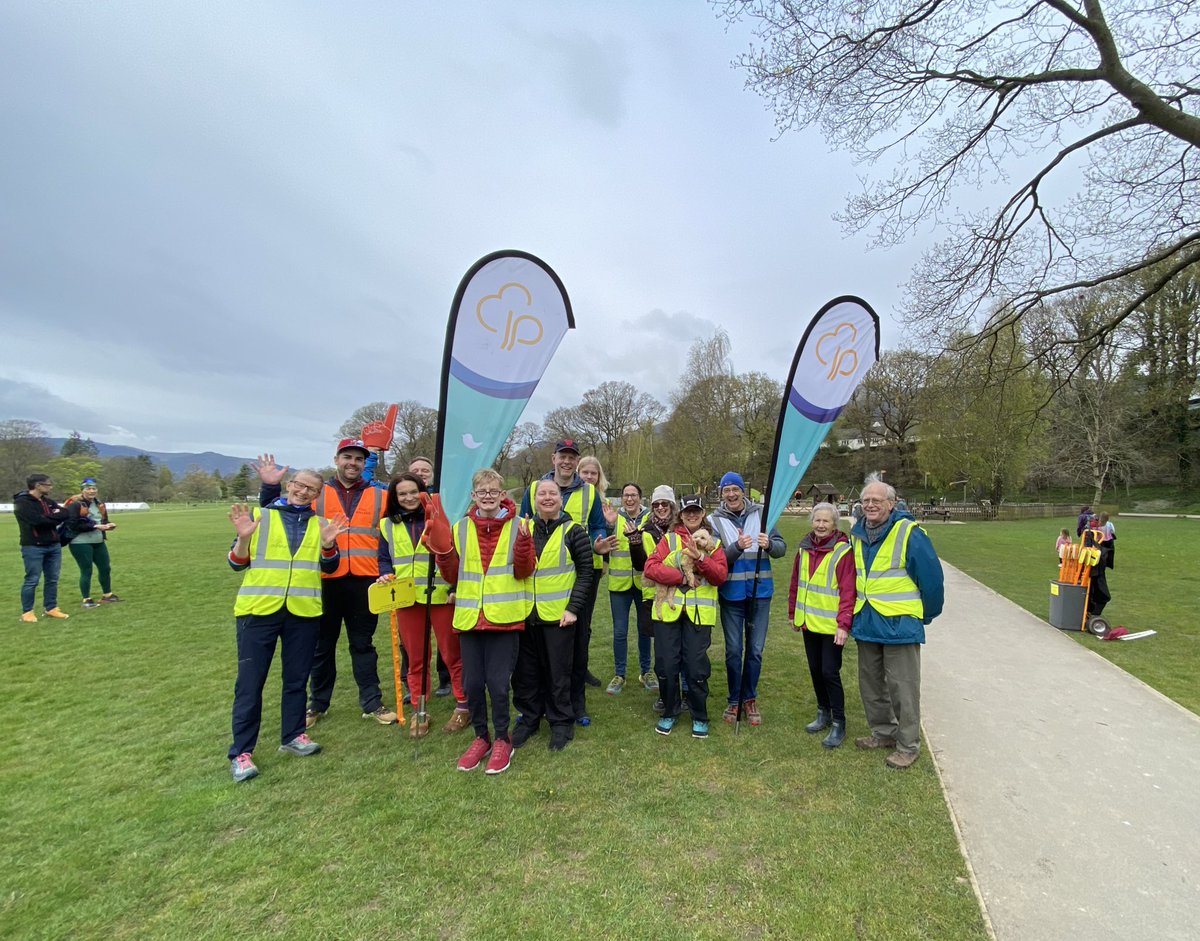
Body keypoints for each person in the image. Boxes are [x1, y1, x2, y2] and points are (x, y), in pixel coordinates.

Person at [255, 441, 398, 729]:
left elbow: (396, 527)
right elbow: (277, 512)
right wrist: (270, 488)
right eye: (347, 457)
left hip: (365, 581)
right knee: (322, 646)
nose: (353, 463)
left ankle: (372, 702)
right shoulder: (318, 494)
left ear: (364, 464)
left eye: (359, 459)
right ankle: (317, 704)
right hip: (323, 580)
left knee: (363, 645)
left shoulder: (380, 495)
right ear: (337, 459)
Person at [226, 469, 349, 782]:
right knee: (251, 683)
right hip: (258, 610)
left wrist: (328, 546)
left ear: (317, 495)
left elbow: (330, 566)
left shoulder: (320, 525)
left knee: (297, 679)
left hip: (302, 612)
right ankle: (241, 752)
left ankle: (293, 736)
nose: (303, 491)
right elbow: (236, 563)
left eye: (311, 489)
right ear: (289, 486)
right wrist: (242, 539)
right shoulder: (260, 517)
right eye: (299, 485)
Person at [428, 468, 535, 775]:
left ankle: (502, 739)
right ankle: (480, 738)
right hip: (470, 619)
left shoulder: (519, 526)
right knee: (473, 685)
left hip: (504, 618)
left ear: (503, 495)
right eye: (482, 492)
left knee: (498, 685)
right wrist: (442, 551)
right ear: (473, 496)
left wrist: (525, 545)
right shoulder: (460, 528)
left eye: (494, 491)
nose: (488, 497)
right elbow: (452, 576)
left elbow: (524, 571)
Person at [850, 476, 945, 770]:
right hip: (867, 621)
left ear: (891, 504)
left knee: (903, 688)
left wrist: (923, 615)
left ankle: (908, 745)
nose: (870, 505)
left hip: (900, 625)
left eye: (877, 500)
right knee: (871, 686)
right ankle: (883, 733)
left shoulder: (909, 533)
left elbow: (932, 581)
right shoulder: (857, 533)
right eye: (866, 501)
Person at [519, 439, 613, 726]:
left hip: (583, 569)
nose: (567, 462)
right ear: (553, 458)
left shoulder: (589, 492)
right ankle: (544, 702)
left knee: (579, 638)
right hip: (542, 577)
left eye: (572, 457)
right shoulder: (535, 489)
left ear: (576, 461)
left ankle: (576, 703)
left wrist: (598, 541)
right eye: (563, 456)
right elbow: (523, 522)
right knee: (540, 645)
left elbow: (597, 523)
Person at [376, 473, 469, 738]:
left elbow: (456, 555)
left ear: (423, 492)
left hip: (440, 595)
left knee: (452, 654)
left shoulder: (441, 518)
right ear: (394, 497)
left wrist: (454, 587)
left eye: (412, 492)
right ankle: (420, 707)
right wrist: (384, 573)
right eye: (401, 494)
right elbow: (384, 558)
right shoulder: (387, 525)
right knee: (416, 657)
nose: (407, 498)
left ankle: (464, 704)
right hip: (406, 598)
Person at [511, 479, 594, 752]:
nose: (547, 498)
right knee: (526, 674)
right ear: (534, 499)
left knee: (560, 674)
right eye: (541, 494)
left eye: (552, 493)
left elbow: (586, 574)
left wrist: (573, 609)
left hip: (560, 617)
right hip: (526, 614)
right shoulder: (523, 529)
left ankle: (561, 722)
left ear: (560, 499)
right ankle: (529, 718)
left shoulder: (575, 531)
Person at [644, 494, 728, 738]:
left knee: (695, 666)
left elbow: (720, 576)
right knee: (666, 665)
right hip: (668, 613)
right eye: (687, 511)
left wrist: (701, 558)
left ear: (703, 514)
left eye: (697, 511)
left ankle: (699, 715)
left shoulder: (714, 543)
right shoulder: (669, 540)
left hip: (699, 614)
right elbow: (650, 569)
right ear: (680, 514)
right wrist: (680, 577)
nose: (692, 515)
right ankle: (670, 711)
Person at [707, 472, 787, 726]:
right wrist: (736, 547)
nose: (730, 494)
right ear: (721, 494)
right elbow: (715, 558)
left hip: (760, 593)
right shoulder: (714, 521)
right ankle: (734, 700)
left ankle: (749, 698)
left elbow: (781, 547)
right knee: (733, 651)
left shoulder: (763, 515)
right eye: (726, 490)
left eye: (734, 489)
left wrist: (769, 545)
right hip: (731, 594)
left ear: (743, 491)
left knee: (755, 650)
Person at [788, 502, 855, 748]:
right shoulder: (804, 549)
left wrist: (843, 625)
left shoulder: (842, 551)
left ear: (834, 524)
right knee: (815, 670)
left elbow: (849, 591)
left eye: (826, 521)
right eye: (817, 520)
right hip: (809, 623)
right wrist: (793, 613)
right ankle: (822, 712)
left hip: (832, 626)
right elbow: (796, 583)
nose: (821, 525)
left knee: (829, 671)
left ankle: (839, 722)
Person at [630, 485, 678, 715]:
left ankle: (684, 692)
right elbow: (641, 565)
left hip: (681, 595)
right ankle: (665, 695)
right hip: (654, 597)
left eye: (665, 504)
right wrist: (635, 543)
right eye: (656, 504)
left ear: (672, 506)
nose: (660, 508)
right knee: (662, 651)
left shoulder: (681, 529)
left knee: (682, 648)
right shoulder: (644, 529)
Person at [604, 482, 655, 695]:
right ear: (622, 498)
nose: (630, 499)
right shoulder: (615, 518)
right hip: (619, 584)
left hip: (643, 584)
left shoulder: (650, 518)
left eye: (634, 495)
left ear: (641, 497)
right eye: (626, 495)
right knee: (620, 631)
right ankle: (620, 674)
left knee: (644, 630)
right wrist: (608, 525)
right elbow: (604, 545)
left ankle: (646, 672)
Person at [14, 473, 71, 623]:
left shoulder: (47, 501)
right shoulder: (22, 502)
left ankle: (51, 608)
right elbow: (36, 521)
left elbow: (65, 513)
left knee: (52, 579)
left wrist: (49, 517)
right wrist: (53, 517)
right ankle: (27, 612)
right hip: (33, 546)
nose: (50, 487)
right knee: (32, 579)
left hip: (53, 545)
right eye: (48, 485)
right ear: (38, 486)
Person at [61, 478, 121, 608]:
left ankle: (107, 595)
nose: (91, 491)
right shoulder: (76, 504)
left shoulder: (99, 503)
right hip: (80, 542)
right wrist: (95, 527)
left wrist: (108, 525)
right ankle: (86, 599)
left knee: (105, 568)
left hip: (98, 540)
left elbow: (102, 520)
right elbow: (73, 524)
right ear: (82, 490)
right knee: (86, 570)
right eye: (88, 488)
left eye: (94, 488)